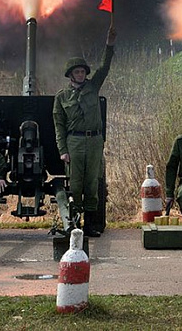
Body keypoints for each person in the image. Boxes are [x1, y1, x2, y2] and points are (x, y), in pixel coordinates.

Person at [53, 25, 116, 237]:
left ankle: (90, 225)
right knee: (76, 184)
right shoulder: (62, 97)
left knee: (93, 183)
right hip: (75, 143)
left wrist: (110, 44)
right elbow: (59, 125)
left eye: (82, 71)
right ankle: (75, 223)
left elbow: (105, 67)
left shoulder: (93, 86)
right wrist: (63, 149)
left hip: (95, 141)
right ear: (70, 75)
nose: (80, 74)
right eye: (77, 72)